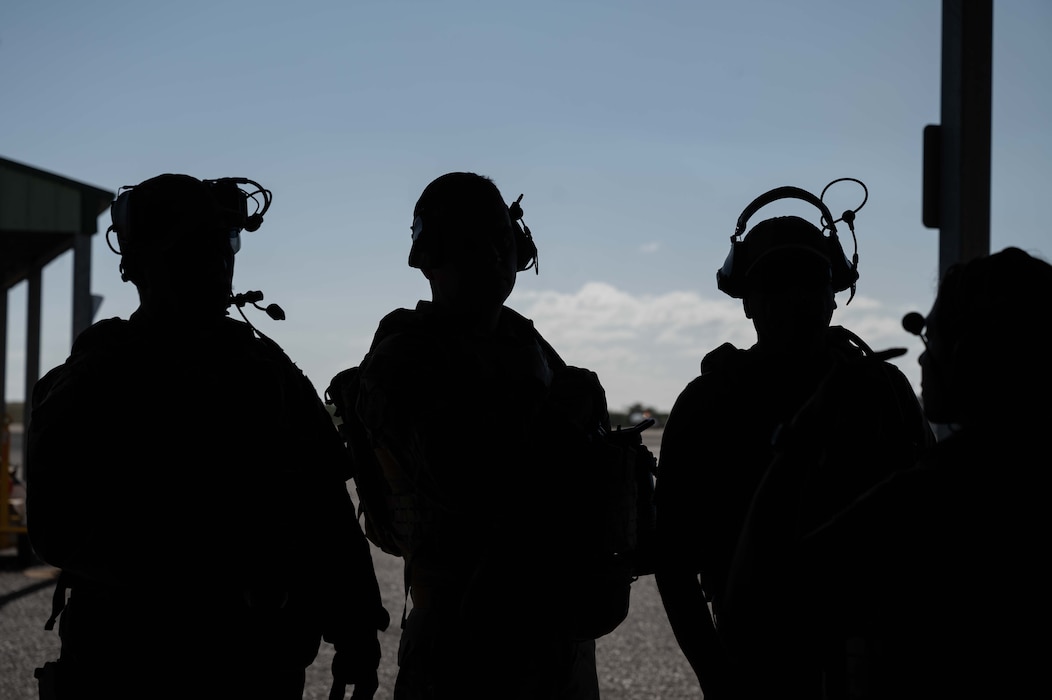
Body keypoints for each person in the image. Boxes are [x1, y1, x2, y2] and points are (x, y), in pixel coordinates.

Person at [25, 173, 389, 700]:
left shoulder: (265, 369)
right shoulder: (100, 375)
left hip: (256, 667)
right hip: (133, 666)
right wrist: (207, 571)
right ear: (144, 265)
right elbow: (56, 527)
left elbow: (325, 510)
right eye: (196, 248)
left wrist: (355, 629)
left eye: (224, 245)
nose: (219, 262)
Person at [727, 246, 1052, 699]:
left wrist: (802, 436)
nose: (921, 359)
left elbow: (756, 603)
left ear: (971, 354)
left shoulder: (939, 492)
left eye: (931, 337)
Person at [653, 185, 934, 700]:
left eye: (811, 280)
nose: (796, 298)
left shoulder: (884, 391)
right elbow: (672, 560)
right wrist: (717, 675)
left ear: (833, 294)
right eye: (777, 283)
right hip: (758, 659)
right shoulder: (706, 403)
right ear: (748, 302)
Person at [344, 172, 611, 700]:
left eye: (500, 240)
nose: (493, 256)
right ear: (433, 259)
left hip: (555, 638)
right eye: (472, 243)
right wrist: (562, 422)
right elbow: (467, 485)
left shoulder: (526, 345)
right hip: (462, 642)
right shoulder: (405, 361)